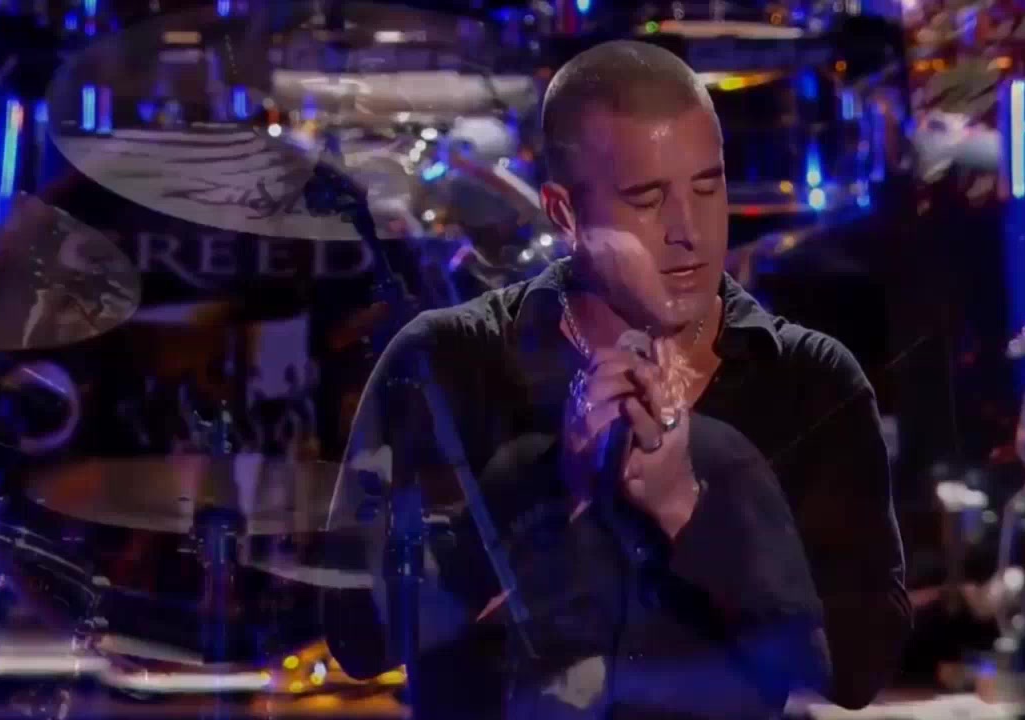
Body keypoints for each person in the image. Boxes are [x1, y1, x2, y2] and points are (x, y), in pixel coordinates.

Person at [321, 40, 910, 719]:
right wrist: (548, 492)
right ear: (565, 214)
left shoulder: (811, 380)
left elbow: (858, 668)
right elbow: (358, 635)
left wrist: (687, 509)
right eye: (647, 199)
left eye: (708, 186)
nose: (689, 230)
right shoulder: (443, 364)